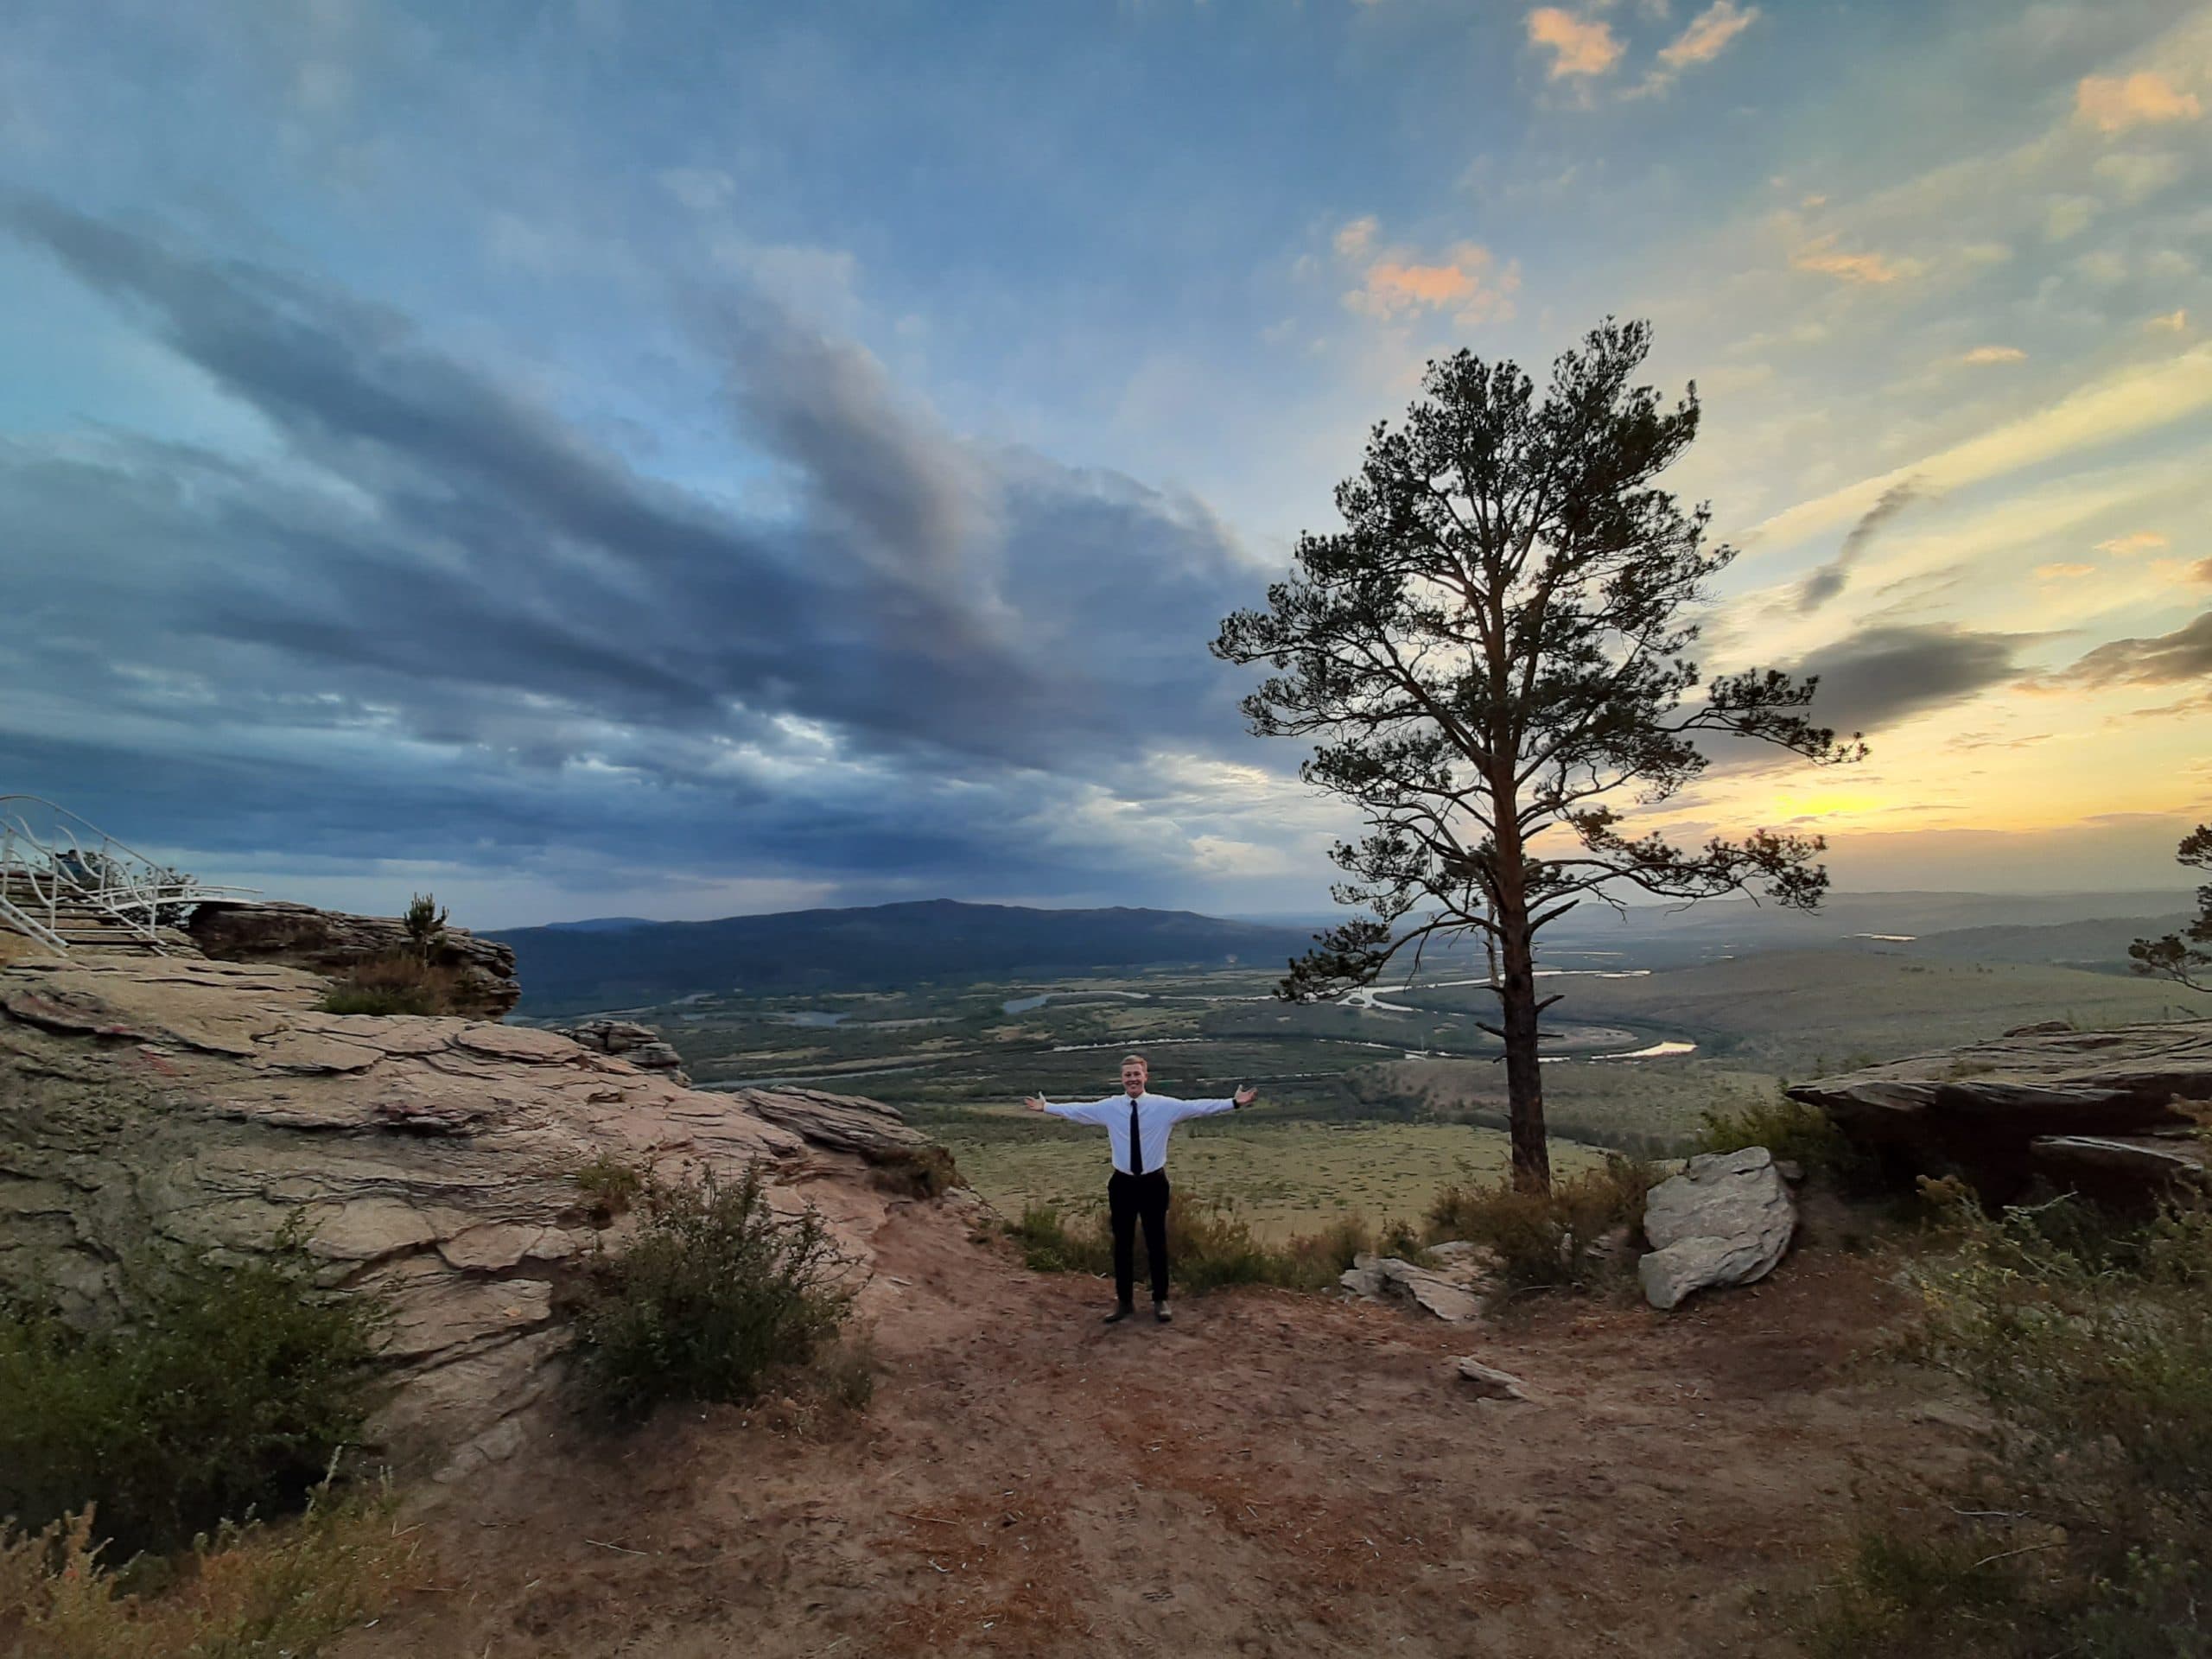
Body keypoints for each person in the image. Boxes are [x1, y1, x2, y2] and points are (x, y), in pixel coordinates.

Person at [1024, 1053, 1257, 1325]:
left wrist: (1233, 1103)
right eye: (1127, 1075)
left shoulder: (1164, 1107)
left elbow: (1199, 1107)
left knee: (1156, 1242)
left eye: (1137, 1074)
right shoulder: (1109, 1108)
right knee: (1121, 1244)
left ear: (1146, 1077)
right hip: (1122, 1184)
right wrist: (1047, 1107)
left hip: (1153, 1184)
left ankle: (1161, 1299)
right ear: (1121, 1079)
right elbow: (1078, 1111)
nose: (1132, 1079)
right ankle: (1124, 1302)